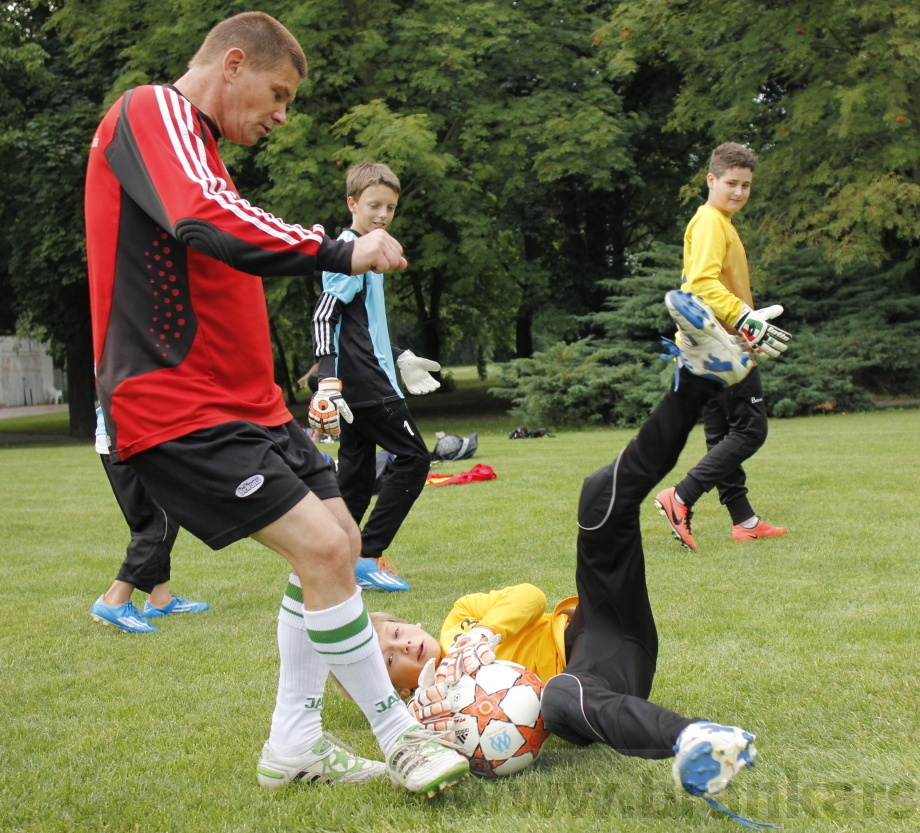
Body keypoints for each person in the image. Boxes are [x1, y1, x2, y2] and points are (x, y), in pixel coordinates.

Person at [84, 11, 468, 797]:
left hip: (246, 405)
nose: (283, 115)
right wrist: (336, 245)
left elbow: (219, 229)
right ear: (232, 64)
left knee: (338, 538)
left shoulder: (202, 150)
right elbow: (203, 217)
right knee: (326, 553)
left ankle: (294, 740)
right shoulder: (151, 110)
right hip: (178, 403)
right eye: (278, 93)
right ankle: (399, 738)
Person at [385, 291, 772, 827]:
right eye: (390, 658)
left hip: (601, 623)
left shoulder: (460, 619)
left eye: (395, 631)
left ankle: (699, 380)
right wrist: (440, 721)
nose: (403, 643)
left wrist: (482, 636)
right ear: (397, 685)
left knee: (598, 498)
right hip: (599, 678)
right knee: (561, 697)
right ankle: (697, 738)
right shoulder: (433, 706)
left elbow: (530, 596)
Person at [308, 161, 442, 592]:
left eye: (390, 207)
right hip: (366, 385)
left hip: (366, 378)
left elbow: (360, 325)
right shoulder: (350, 250)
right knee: (415, 459)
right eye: (374, 205)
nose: (383, 214)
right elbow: (325, 315)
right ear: (352, 203)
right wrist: (327, 377)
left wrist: (401, 356)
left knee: (357, 478)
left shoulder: (367, 250)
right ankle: (367, 556)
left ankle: (336, 561)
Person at [653, 142, 791, 551]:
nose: (739, 192)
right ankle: (679, 497)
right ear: (711, 179)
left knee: (721, 434)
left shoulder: (717, 221)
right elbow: (699, 285)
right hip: (721, 346)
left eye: (746, 185)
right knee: (750, 429)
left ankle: (745, 521)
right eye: (731, 183)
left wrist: (746, 315)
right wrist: (743, 318)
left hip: (704, 344)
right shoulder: (711, 221)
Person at [90, 407, 209, 634]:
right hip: (130, 437)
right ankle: (114, 599)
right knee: (157, 524)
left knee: (163, 516)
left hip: (133, 435)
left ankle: (159, 598)